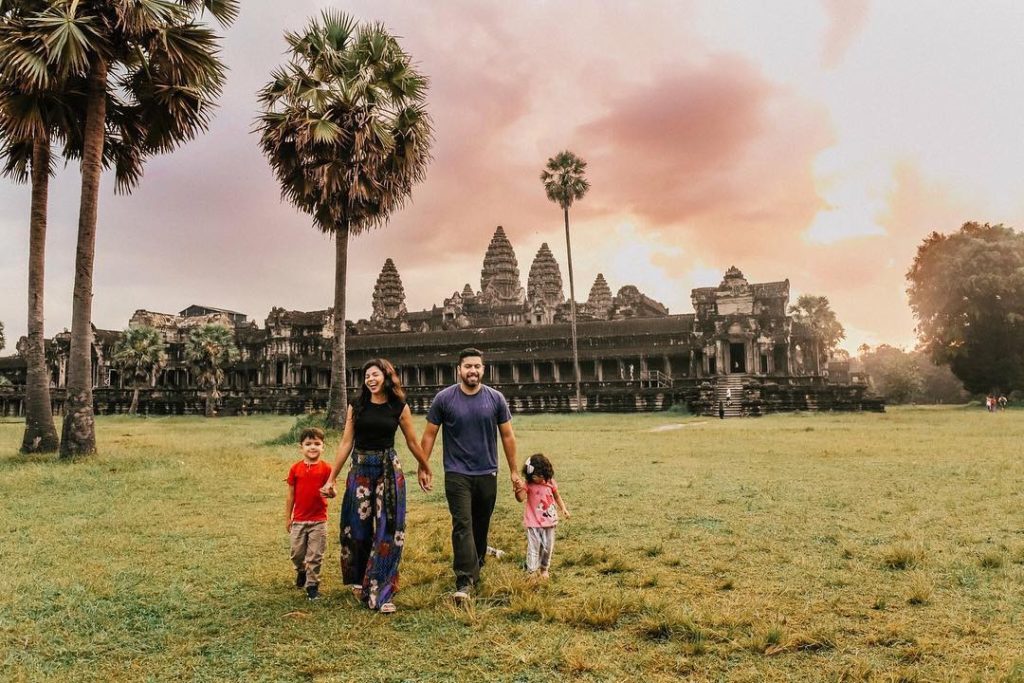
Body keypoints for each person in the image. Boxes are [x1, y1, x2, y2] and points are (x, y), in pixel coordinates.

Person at [322, 358, 432, 614]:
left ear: (386, 376)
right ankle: (361, 579)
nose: (370, 380)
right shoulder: (357, 405)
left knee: (389, 530)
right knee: (356, 528)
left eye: (375, 375)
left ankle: (381, 590)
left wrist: (425, 466)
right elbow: (345, 443)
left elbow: (413, 442)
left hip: (387, 469)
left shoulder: (398, 406)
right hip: (360, 468)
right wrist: (331, 477)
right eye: (367, 376)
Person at [421, 348, 523, 602]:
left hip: (487, 471)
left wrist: (513, 471)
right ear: (459, 369)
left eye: (477, 366)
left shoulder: (495, 398)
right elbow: (430, 434)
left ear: (483, 369)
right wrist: (424, 466)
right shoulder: (444, 399)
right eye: (468, 366)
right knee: (462, 523)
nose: (473, 371)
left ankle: (477, 561)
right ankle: (465, 580)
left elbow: (507, 436)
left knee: (480, 522)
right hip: (456, 473)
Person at [285, 427, 332, 601]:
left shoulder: (327, 469)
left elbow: (333, 490)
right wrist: (288, 518)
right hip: (299, 520)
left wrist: (331, 492)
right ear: (301, 447)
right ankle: (301, 571)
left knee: (315, 555)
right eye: (308, 444)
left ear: (323, 447)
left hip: (319, 521)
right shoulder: (295, 469)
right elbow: (290, 496)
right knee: (297, 553)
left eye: (317, 444)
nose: (312, 447)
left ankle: (312, 586)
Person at [514, 453, 570, 578]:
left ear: (544, 473)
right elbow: (520, 498)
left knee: (547, 548)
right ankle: (532, 571)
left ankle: (544, 569)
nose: (535, 478)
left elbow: (557, 496)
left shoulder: (550, 483)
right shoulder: (528, 484)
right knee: (533, 548)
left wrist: (564, 508)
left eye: (538, 476)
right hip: (533, 522)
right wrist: (518, 489)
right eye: (532, 476)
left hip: (549, 522)